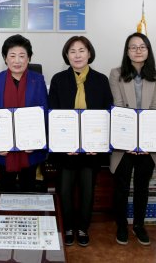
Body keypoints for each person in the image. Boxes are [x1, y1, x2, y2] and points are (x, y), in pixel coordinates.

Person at [48, 36, 112, 247]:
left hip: (91, 149)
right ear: (67, 55)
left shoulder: (101, 80)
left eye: (81, 50)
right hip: (65, 149)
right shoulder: (58, 79)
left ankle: (83, 228)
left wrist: (99, 144)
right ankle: (67, 226)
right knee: (64, 189)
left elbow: (106, 114)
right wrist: (65, 144)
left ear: (89, 53)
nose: (77, 55)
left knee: (87, 189)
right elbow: (53, 114)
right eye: (72, 51)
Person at [109, 32, 156, 246]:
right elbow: (120, 105)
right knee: (122, 186)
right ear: (127, 51)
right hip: (124, 141)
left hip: (148, 143)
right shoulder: (116, 73)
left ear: (148, 50)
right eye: (133, 47)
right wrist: (131, 142)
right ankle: (122, 226)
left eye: (142, 47)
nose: (138, 50)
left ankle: (140, 226)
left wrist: (144, 143)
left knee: (142, 186)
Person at [0, 34, 48, 192]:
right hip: (4, 149)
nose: (17, 60)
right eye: (12, 56)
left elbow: (44, 114)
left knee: (29, 189)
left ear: (29, 58)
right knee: (6, 191)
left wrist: (37, 141)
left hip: (30, 148)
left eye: (22, 56)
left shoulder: (38, 79)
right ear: (5, 58)